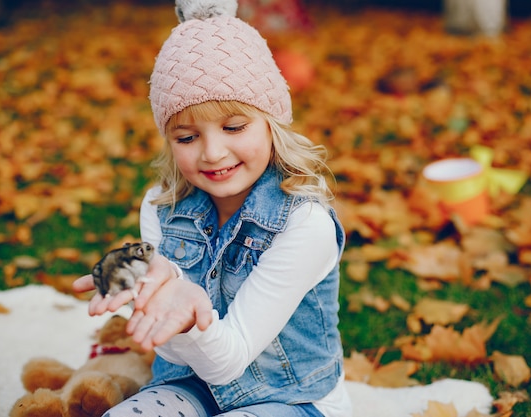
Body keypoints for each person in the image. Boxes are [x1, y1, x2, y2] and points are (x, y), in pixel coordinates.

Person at [72, 0, 351, 415]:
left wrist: (189, 316)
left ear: (272, 123)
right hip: (190, 385)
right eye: (187, 138)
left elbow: (228, 360)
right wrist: (160, 293)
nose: (213, 153)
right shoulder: (161, 206)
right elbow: (180, 353)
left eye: (234, 127)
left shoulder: (305, 223)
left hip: (291, 399)